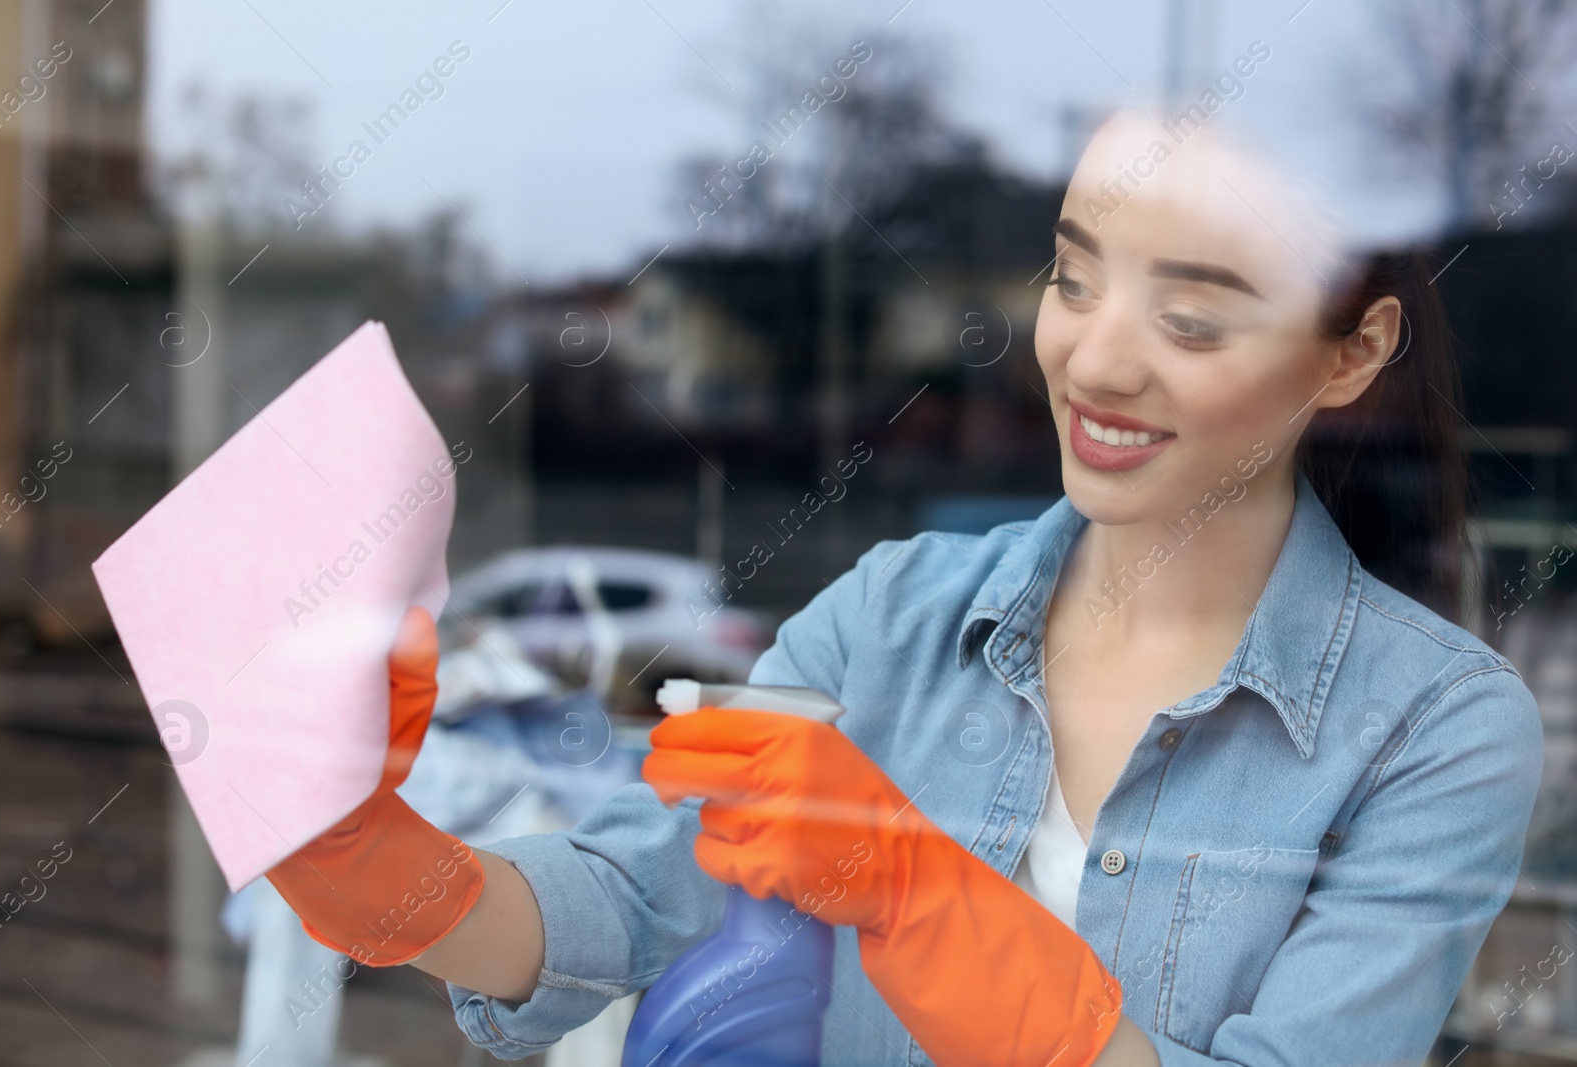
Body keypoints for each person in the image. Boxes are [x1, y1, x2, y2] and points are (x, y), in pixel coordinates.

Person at [263, 110, 1545, 1065]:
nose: (1094, 361)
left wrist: (915, 892)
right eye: (1073, 277)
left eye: (1192, 322)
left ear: (1353, 351)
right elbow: (638, 893)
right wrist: (385, 869)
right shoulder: (890, 617)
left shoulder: (1434, 730)